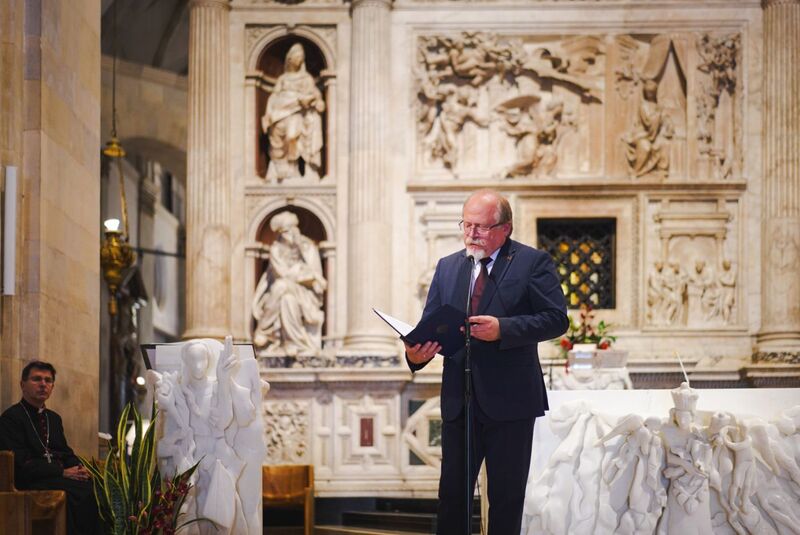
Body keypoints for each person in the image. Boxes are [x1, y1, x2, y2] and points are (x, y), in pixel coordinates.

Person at [405, 189, 568, 534]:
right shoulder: (449, 266)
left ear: (505, 228)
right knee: (452, 496)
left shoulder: (532, 262)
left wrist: (503, 329)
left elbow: (556, 319)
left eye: (480, 227)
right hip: (459, 401)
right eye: (466, 225)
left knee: (506, 497)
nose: (471, 234)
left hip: (511, 402)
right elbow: (432, 322)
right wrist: (415, 355)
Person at [0, 361, 98, 534]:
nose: (43, 384)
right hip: (28, 480)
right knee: (77, 493)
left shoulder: (53, 418)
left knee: (93, 487)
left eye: (48, 380)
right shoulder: (10, 418)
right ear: (22, 384)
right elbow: (20, 463)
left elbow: (64, 452)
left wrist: (79, 468)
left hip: (53, 477)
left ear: (52, 387)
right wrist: (62, 472)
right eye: (37, 379)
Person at [252, 211, 327, 356]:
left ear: (295, 229)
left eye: (288, 230)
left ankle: (263, 330)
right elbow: (281, 273)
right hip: (283, 291)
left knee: (281, 287)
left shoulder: (307, 247)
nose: (286, 234)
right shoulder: (276, 249)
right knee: (286, 297)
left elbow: (316, 276)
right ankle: (291, 342)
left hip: (306, 294)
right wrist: (299, 272)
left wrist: (301, 273)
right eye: (282, 232)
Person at [261, 42, 325, 182]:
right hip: (280, 113)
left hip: (297, 113)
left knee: (292, 136)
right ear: (289, 59)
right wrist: (268, 114)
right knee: (278, 138)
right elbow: (273, 96)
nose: (298, 60)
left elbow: (316, 96)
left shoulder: (306, 78)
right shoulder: (282, 79)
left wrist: (316, 102)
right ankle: (278, 167)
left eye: (301, 57)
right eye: (296, 57)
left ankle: (293, 167)